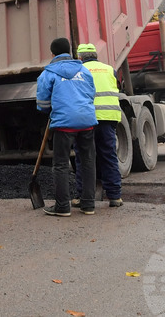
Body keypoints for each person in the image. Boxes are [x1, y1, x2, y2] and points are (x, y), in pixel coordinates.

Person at [36, 37, 97, 216]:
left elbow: (42, 101)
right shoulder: (84, 70)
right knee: (87, 162)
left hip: (64, 124)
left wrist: (48, 111)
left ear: (52, 53)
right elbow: (91, 94)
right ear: (70, 51)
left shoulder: (49, 73)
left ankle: (63, 207)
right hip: (87, 121)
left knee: (61, 164)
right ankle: (88, 205)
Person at [74, 43, 124, 208]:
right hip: (109, 117)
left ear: (80, 57)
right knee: (109, 156)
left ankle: (83, 197)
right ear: (96, 55)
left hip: (87, 118)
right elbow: (117, 87)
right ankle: (115, 197)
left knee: (84, 157)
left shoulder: (78, 71)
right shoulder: (110, 69)